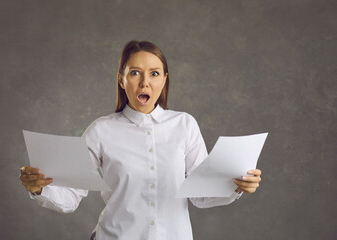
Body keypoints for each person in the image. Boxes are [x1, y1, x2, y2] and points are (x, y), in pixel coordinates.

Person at [19, 40, 262, 240]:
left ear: (164, 80)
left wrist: (236, 185)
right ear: (121, 79)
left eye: (154, 74)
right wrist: (40, 188)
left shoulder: (184, 125)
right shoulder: (101, 130)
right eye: (135, 72)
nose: (145, 82)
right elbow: (70, 194)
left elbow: (201, 193)